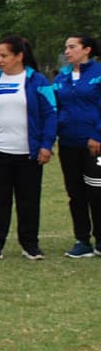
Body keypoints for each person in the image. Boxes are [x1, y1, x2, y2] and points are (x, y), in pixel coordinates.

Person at [0, 34, 56, 261]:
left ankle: (30, 245)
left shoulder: (37, 81)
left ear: (19, 56)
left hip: (28, 154)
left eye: (4, 55)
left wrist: (46, 145)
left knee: (29, 200)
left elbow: (50, 114)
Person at [52, 35, 101, 258]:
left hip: (94, 145)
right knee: (76, 193)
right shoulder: (61, 77)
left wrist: (97, 135)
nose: (68, 51)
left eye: (72, 47)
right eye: (66, 47)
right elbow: (54, 107)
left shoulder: (98, 73)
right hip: (68, 144)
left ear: (87, 50)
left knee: (97, 190)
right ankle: (82, 240)